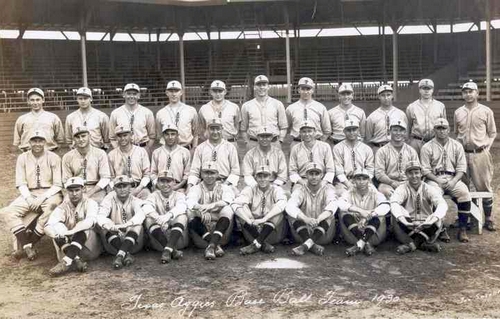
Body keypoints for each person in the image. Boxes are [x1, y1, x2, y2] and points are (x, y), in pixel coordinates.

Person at [2, 131, 63, 260]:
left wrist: (42, 198)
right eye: (34, 141)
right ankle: (27, 246)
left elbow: (58, 184)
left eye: (40, 141)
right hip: (29, 193)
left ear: (45, 142)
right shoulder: (22, 157)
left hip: (50, 194)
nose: (37, 144)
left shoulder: (54, 157)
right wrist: (29, 198)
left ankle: (32, 240)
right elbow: (21, 183)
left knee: (52, 209)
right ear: (29, 142)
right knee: (7, 212)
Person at [454, 81, 497, 231]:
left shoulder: (486, 111)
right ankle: (468, 217)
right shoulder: (458, 112)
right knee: (463, 187)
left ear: (477, 93)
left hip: (480, 153)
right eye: (465, 91)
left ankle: (489, 219)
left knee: (484, 185)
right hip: (463, 154)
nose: (468, 94)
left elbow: (492, 133)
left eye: (471, 91)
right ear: (462, 94)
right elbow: (456, 133)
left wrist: (487, 147)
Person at [421, 118, 471, 243]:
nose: (441, 131)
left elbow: (461, 168)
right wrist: (437, 180)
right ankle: (441, 228)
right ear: (434, 130)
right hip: (434, 179)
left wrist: (454, 181)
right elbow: (425, 170)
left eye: (444, 128)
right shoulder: (427, 147)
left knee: (464, 193)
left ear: (448, 130)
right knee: (432, 194)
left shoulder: (457, 145)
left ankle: (462, 229)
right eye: (438, 128)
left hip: (452, 178)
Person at [44, 177, 101, 276]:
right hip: (69, 247)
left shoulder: (90, 203)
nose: (74, 194)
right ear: (66, 192)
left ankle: (67, 261)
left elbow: (90, 221)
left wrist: (70, 232)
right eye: (71, 191)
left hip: (89, 248)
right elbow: (48, 225)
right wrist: (56, 233)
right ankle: (74, 260)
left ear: (83, 190)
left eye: (77, 190)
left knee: (84, 227)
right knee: (56, 227)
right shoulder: (63, 206)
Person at [391, 161, 448, 254]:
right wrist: (405, 221)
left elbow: (442, 204)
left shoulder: (429, 188)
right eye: (410, 173)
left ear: (421, 174)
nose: (414, 176)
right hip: (409, 225)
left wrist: (431, 221)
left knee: (439, 215)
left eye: (416, 173)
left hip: (426, 226)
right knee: (396, 210)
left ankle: (411, 245)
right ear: (406, 174)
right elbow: (394, 203)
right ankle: (422, 244)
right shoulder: (402, 188)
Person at [232, 165, 287, 255]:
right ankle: (261, 243)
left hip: (272, 232)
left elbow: (283, 203)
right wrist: (248, 219)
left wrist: (264, 219)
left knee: (279, 212)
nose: (262, 179)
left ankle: (257, 244)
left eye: (265, 176)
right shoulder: (250, 189)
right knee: (241, 209)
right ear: (255, 177)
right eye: (259, 176)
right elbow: (235, 204)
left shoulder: (276, 189)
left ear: (270, 177)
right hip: (252, 230)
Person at [286, 163, 338, 256]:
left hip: (323, 234)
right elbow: (290, 206)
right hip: (302, 233)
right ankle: (310, 244)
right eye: (311, 174)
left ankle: (306, 245)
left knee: (330, 214)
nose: (314, 177)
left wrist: (319, 219)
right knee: (292, 213)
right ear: (306, 175)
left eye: (317, 174)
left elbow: (333, 205)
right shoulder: (300, 190)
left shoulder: (327, 189)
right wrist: (305, 219)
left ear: (321, 175)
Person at [186, 162, 235, 260]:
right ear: (201, 174)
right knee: (189, 211)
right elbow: (190, 202)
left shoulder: (224, 188)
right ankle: (213, 245)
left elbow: (228, 200)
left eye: (212, 173)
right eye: (206, 173)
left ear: (217, 174)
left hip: (222, 234)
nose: (209, 176)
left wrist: (211, 207)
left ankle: (212, 245)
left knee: (228, 209)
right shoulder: (196, 188)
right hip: (201, 235)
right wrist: (200, 211)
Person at [337, 169, 390, 257]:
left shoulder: (374, 192)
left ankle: (360, 244)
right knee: (343, 212)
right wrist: (360, 211)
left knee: (379, 215)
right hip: (353, 234)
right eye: (358, 179)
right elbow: (340, 203)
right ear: (353, 181)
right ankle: (365, 244)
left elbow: (386, 206)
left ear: (369, 180)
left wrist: (367, 216)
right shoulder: (349, 192)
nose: (361, 182)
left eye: (364, 179)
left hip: (374, 234)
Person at [97, 175, 146, 269]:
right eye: (119, 186)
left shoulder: (135, 200)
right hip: (114, 242)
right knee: (103, 226)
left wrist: (124, 225)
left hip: (133, 243)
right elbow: (100, 216)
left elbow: (140, 216)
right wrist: (109, 225)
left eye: (125, 186)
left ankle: (120, 256)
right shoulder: (109, 199)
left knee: (137, 225)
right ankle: (125, 254)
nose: (122, 189)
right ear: (114, 189)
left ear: (130, 188)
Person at [142, 170, 189, 264]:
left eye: (168, 181)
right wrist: (158, 218)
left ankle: (167, 250)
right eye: (162, 181)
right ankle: (171, 250)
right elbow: (146, 207)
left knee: (182, 216)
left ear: (174, 182)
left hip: (178, 240)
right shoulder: (153, 195)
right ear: (158, 183)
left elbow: (182, 207)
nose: (165, 184)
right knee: (149, 219)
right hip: (159, 240)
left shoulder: (179, 195)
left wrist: (167, 216)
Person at [62, 126, 111, 203]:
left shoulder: (100, 153)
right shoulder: (67, 156)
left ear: (89, 136)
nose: (81, 139)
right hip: (75, 189)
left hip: (96, 189)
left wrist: (89, 193)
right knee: (67, 204)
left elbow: (105, 178)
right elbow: (66, 180)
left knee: (101, 204)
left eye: (83, 136)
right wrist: (76, 193)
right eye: (77, 137)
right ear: (74, 139)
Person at [187, 118, 240, 190]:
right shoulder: (200, 148)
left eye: (218, 129)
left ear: (222, 129)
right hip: (204, 184)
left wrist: (225, 185)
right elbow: (194, 171)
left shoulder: (230, 147)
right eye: (212, 129)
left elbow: (235, 171)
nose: (215, 132)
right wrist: (189, 187)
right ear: (207, 130)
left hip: (225, 182)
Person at [374, 119, 419, 199]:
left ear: (405, 132)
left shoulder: (411, 151)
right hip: (387, 183)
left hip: (408, 182)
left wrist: (408, 182)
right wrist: (392, 182)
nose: (398, 133)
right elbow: (379, 173)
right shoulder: (382, 151)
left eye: (401, 130)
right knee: (388, 193)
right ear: (390, 131)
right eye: (395, 130)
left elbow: (416, 170)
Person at [240, 75, 288, 150]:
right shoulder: (246, 106)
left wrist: (280, 140)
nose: (261, 87)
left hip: (273, 142)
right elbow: (243, 129)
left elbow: (283, 127)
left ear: (268, 87)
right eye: (258, 85)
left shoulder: (277, 104)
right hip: (254, 143)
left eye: (264, 85)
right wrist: (247, 142)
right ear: (254, 87)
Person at [109, 83, 155, 156]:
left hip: (142, 148)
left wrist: (146, 150)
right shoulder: (115, 113)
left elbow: (152, 136)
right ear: (124, 94)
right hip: (122, 150)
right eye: (129, 94)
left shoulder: (147, 112)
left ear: (139, 95)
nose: (131, 96)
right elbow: (112, 137)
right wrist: (118, 151)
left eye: (134, 94)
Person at [286, 77, 331, 149]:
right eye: (303, 89)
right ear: (298, 90)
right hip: (297, 142)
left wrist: (319, 142)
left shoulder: (320, 107)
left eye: (308, 89)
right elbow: (286, 128)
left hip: (316, 143)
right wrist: (292, 141)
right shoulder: (291, 108)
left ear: (312, 90)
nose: (305, 92)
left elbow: (327, 130)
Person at [107, 124, 151, 200]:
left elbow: (147, 174)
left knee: (147, 197)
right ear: (116, 138)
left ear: (131, 136)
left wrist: (139, 188)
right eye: (119, 136)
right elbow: (111, 177)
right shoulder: (111, 154)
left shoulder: (141, 151)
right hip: (119, 188)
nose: (122, 138)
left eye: (125, 135)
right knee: (109, 199)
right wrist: (117, 190)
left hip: (138, 187)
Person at [13, 87, 64, 152]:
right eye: (32, 100)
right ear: (28, 101)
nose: (35, 103)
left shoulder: (53, 117)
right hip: (27, 153)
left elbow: (60, 139)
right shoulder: (22, 119)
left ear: (43, 100)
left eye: (38, 100)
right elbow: (17, 141)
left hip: (49, 151)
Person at [333, 118, 374, 192]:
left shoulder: (366, 148)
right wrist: (348, 184)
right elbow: (339, 171)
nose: (352, 132)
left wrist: (364, 182)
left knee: (373, 193)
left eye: (354, 130)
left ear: (358, 130)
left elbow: (370, 169)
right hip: (345, 181)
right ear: (344, 131)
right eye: (349, 130)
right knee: (340, 193)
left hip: (364, 180)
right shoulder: (338, 148)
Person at [289, 121, 336, 186]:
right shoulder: (295, 148)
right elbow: (292, 171)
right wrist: (303, 183)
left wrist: (323, 183)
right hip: (303, 181)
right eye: (304, 131)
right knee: (296, 195)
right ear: (300, 133)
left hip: (322, 180)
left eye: (309, 131)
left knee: (331, 195)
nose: (307, 134)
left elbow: (330, 169)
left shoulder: (325, 146)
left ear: (315, 132)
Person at [156, 80, 199, 151]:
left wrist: (194, 149)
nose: (173, 94)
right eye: (171, 91)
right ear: (167, 93)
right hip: (168, 150)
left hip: (186, 148)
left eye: (176, 91)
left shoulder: (191, 110)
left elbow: (196, 134)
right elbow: (160, 135)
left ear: (181, 92)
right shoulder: (160, 113)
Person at [406, 79, 446, 154]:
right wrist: (409, 141)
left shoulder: (440, 106)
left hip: (435, 140)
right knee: (416, 164)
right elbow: (408, 127)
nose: (426, 91)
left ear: (433, 90)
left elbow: (444, 125)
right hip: (417, 141)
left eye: (429, 88)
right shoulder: (412, 107)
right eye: (424, 88)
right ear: (419, 90)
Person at [365, 84, 407, 153]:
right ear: (379, 97)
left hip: (397, 148)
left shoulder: (401, 114)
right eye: (383, 95)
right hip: (378, 147)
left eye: (388, 95)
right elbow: (368, 138)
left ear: (392, 96)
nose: (386, 98)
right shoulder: (372, 116)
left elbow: (405, 135)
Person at [198, 80, 240, 147]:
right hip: (210, 144)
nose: (218, 94)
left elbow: (237, 125)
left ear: (225, 92)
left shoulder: (234, 107)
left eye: (220, 91)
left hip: (230, 142)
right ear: (211, 92)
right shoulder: (204, 108)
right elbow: (201, 128)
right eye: (215, 91)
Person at [150, 123, 191, 192]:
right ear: (163, 135)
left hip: (178, 186)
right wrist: (158, 185)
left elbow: (187, 174)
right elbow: (153, 173)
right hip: (160, 186)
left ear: (177, 135)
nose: (170, 137)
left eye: (173, 134)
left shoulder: (185, 152)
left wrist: (178, 186)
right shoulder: (157, 152)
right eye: (167, 134)